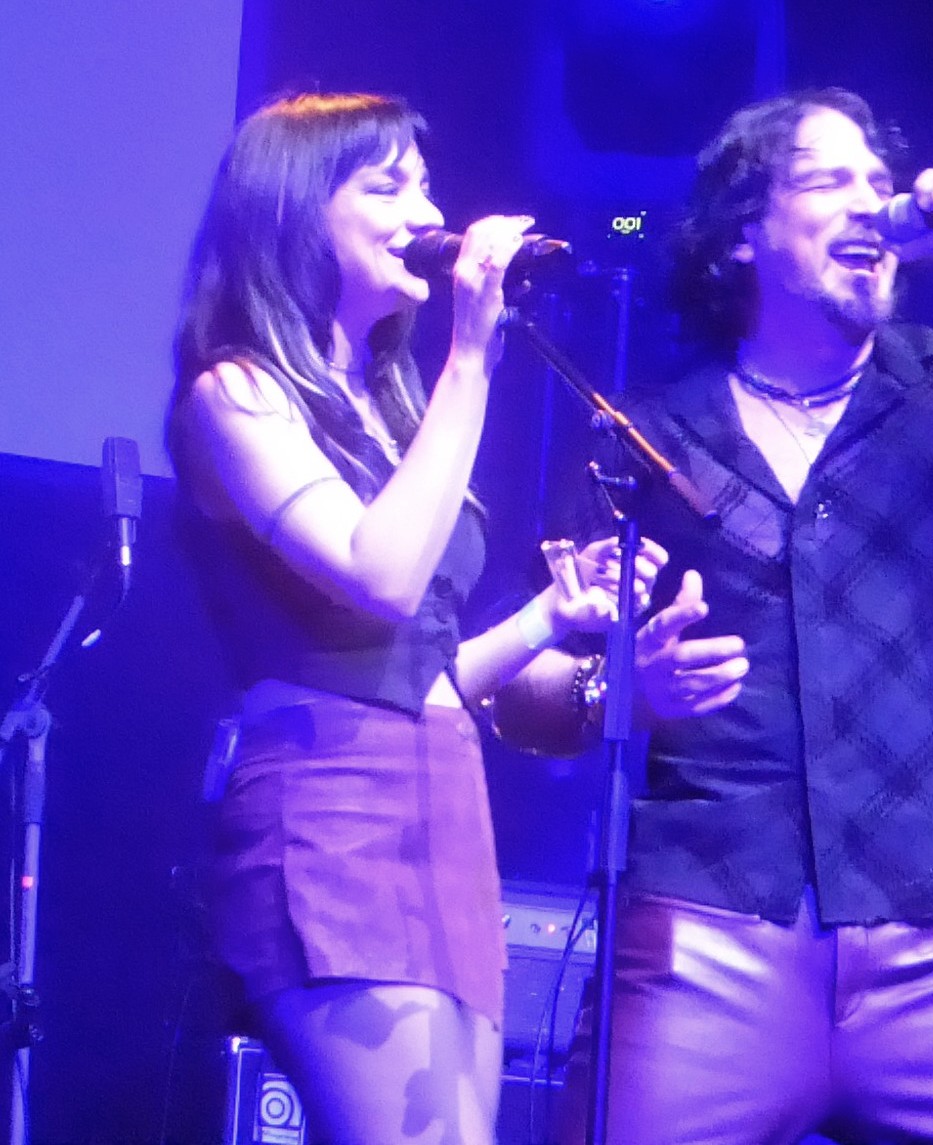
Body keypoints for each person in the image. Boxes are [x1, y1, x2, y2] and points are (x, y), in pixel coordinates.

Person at [532, 87, 933, 1144]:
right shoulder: (646, 437)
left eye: (878, 183)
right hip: (710, 930)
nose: (869, 202)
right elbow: (525, 692)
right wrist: (626, 690)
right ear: (743, 235)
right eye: (826, 181)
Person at [165, 92, 665, 1145]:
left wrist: (549, 616)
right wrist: (470, 357)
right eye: (386, 186)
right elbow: (380, 575)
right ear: (294, 211)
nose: (426, 213)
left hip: (444, 802)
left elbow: (424, 670)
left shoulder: (387, 405)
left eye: (424, 185)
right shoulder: (235, 395)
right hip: (329, 806)